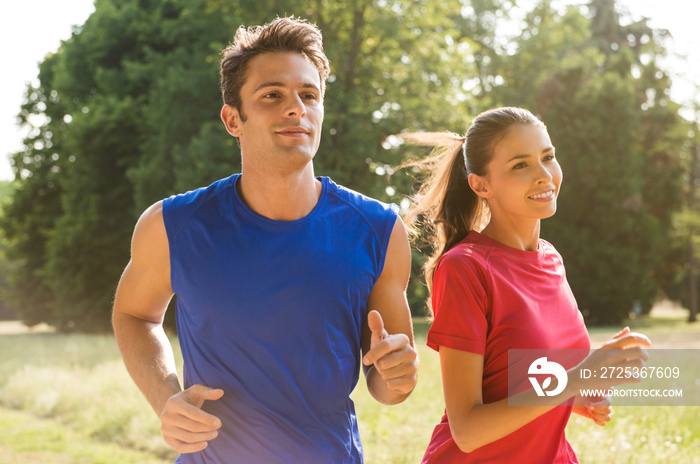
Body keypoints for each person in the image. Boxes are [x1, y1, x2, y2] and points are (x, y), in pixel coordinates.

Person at [111, 16, 418, 464]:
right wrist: (166, 398)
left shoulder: (379, 229)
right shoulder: (172, 225)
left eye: (308, 95)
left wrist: (398, 378)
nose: (296, 108)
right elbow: (134, 314)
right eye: (272, 95)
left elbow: (387, 386)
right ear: (234, 118)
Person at [403, 107, 651, 463]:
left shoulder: (551, 260)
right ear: (480, 184)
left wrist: (579, 398)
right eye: (521, 165)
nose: (544, 175)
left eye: (548, 157)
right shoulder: (465, 268)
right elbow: (468, 430)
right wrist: (577, 379)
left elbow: (525, 377)